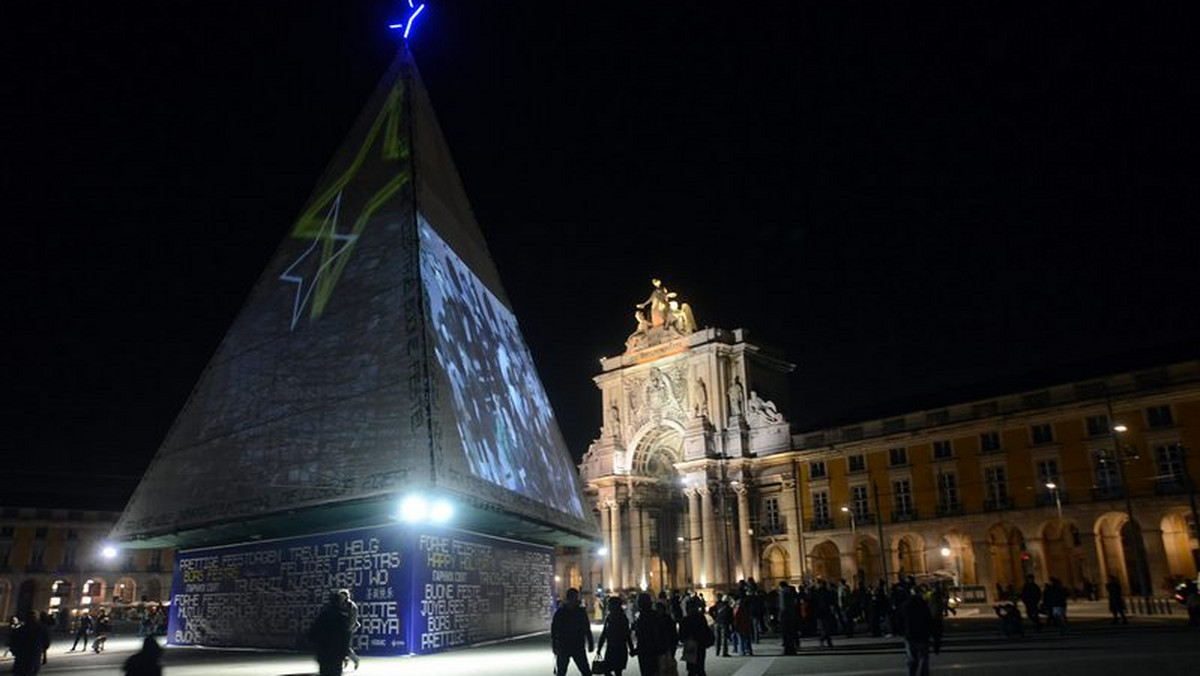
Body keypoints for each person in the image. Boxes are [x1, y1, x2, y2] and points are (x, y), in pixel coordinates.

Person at [552, 587, 594, 676]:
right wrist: (590, 642)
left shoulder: (561, 612)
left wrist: (555, 644)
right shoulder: (579, 612)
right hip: (572, 645)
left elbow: (554, 629)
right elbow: (586, 628)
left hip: (568, 645)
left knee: (564, 671)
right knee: (584, 670)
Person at [307, 592, 350, 676]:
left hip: (324, 651)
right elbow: (345, 636)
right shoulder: (342, 616)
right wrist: (345, 653)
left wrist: (315, 646)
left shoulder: (323, 615)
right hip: (336, 653)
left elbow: (312, 631)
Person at [894, 585, 933, 676]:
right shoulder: (923, 604)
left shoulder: (905, 604)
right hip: (922, 635)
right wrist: (930, 632)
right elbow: (928, 619)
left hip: (910, 635)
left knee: (912, 659)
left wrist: (902, 631)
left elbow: (899, 619)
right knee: (923, 658)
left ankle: (911, 674)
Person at [596, 596, 633, 676]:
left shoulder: (622, 618)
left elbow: (626, 635)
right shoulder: (609, 618)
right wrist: (599, 647)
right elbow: (604, 633)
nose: (608, 606)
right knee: (608, 670)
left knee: (617, 671)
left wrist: (631, 648)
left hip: (619, 649)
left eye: (610, 604)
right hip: (611, 648)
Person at [677, 597, 713, 676]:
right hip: (700, 644)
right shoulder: (700, 618)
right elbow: (705, 631)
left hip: (690, 645)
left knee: (691, 669)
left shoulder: (685, 620)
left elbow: (681, 635)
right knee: (700, 668)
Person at [9, 610, 49, 676]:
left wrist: (15, 652)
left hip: (22, 656)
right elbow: (46, 643)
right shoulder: (42, 629)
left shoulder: (21, 629)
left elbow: (13, 642)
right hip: (34, 655)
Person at [338, 589, 361, 670]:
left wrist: (348, 629)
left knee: (346, 647)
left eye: (342, 596)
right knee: (338, 646)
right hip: (339, 629)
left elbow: (353, 619)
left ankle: (355, 659)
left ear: (346, 596)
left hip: (348, 629)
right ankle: (344, 660)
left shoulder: (351, 606)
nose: (340, 597)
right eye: (340, 596)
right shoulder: (338, 605)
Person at [777, 581, 797, 655]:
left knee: (785, 633)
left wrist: (780, 616)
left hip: (785, 616)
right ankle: (792, 649)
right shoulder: (791, 593)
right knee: (791, 633)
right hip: (791, 615)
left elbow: (783, 606)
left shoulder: (782, 593)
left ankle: (788, 650)